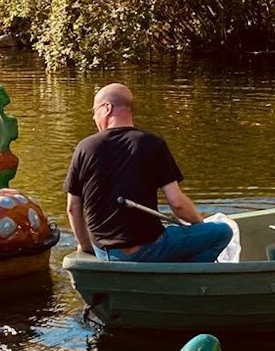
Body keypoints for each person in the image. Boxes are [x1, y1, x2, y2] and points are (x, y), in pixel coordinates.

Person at [65, 83, 232, 263]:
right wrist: (199, 225)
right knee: (223, 231)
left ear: (107, 108)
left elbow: (73, 208)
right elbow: (177, 204)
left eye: (94, 110)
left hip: (104, 252)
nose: (93, 117)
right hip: (145, 250)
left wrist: (86, 246)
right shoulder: (152, 144)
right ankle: (187, 277)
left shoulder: (84, 148)